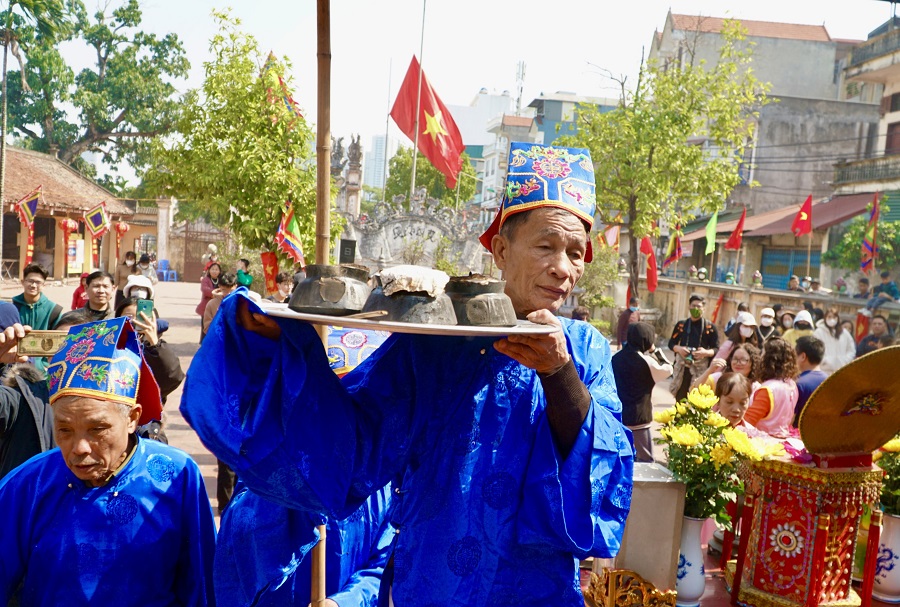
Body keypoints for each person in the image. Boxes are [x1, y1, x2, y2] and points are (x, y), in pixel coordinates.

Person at [181, 142, 634, 606]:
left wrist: (559, 374)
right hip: (432, 587)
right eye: (546, 246)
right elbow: (354, 446)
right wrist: (278, 346)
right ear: (501, 249)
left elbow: (606, 477)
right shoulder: (438, 340)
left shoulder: (585, 350)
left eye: (576, 253)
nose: (563, 268)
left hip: (539, 594)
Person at [0, 316, 216, 605]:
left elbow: (202, 586)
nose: (79, 448)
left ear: (132, 418)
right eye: (64, 430)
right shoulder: (29, 484)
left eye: (97, 429)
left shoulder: (176, 476)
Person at [612, 322, 672, 462]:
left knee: (619, 460)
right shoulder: (648, 362)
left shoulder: (615, 359)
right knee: (645, 461)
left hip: (619, 418)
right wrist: (654, 351)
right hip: (640, 420)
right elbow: (669, 369)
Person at [668, 294, 719, 402]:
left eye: (699, 306)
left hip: (700, 370)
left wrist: (705, 352)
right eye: (693, 306)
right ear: (689, 307)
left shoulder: (710, 327)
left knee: (696, 398)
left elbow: (716, 349)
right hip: (683, 368)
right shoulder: (681, 325)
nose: (696, 308)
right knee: (680, 398)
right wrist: (679, 349)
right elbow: (671, 344)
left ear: (704, 309)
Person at [743, 338, 798, 438]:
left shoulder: (768, 389)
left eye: (763, 353)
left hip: (764, 442)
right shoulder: (792, 385)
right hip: (784, 440)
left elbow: (748, 422)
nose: (760, 357)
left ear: (769, 359)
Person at [693, 342, 762, 392]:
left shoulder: (756, 388)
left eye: (743, 360)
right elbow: (694, 390)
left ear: (752, 363)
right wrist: (709, 370)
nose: (738, 363)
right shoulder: (718, 379)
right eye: (735, 359)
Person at [13, 264, 62, 331]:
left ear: (43, 285)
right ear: (22, 282)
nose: (33, 285)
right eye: (30, 281)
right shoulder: (11, 307)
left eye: (38, 282)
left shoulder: (53, 310)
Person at [793, 335, 828, 425]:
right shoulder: (830, 381)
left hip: (800, 433)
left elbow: (791, 418)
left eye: (795, 355)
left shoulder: (797, 383)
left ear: (803, 356)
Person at [813, 308, 856, 374]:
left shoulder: (844, 333)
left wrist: (844, 361)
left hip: (842, 370)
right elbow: (815, 350)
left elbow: (851, 350)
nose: (832, 319)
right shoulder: (818, 333)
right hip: (824, 371)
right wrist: (825, 361)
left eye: (834, 317)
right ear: (825, 317)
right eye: (829, 317)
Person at [196, 262, 221, 342]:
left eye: (216, 269)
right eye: (212, 269)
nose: (214, 271)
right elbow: (205, 290)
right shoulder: (206, 280)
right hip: (206, 308)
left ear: (219, 271)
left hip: (218, 308)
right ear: (209, 270)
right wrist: (217, 293)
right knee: (206, 328)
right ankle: (204, 344)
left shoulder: (221, 280)